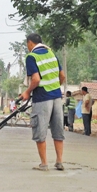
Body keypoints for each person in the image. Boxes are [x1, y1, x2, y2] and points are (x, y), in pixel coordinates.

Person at [20, 33, 66, 171]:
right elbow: (62, 76)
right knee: (58, 131)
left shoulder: (31, 57)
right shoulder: (52, 53)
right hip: (57, 97)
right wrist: (54, 88)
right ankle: (59, 161)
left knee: (40, 130)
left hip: (42, 98)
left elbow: (36, 79)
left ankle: (44, 164)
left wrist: (27, 92)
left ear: (30, 43)